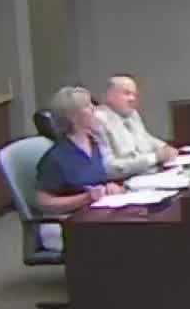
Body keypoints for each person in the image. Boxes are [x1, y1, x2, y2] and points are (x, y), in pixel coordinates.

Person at [34, 86, 123, 253]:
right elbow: (43, 202)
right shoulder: (56, 158)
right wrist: (85, 198)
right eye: (88, 106)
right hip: (64, 223)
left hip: (96, 215)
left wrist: (111, 187)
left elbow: (102, 178)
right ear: (73, 117)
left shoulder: (95, 144)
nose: (95, 110)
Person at [95, 74, 179, 178]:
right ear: (109, 96)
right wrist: (155, 157)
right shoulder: (98, 120)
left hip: (150, 174)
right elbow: (109, 168)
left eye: (134, 95)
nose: (132, 98)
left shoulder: (132, 114)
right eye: (127, 93)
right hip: (126, 181)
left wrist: (164, 147)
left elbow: (145, 137)